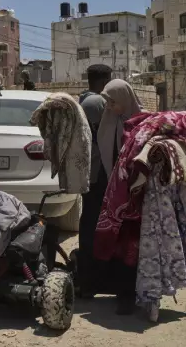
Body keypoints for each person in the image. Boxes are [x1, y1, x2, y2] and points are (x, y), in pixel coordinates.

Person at [95, 78, 144, 315]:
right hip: (114, 195)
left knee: (134, 246)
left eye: (113, 102)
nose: (110, 107)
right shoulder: (109, 120)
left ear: (125, 99)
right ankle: (121, 292)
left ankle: (134, 294)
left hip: (137, 195)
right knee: (117, 245)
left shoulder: (143, 123)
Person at [76, 64, 113, 300]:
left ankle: (89, 279)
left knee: (89, 221)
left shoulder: (84, 100)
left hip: (91, 172)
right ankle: (90, 279)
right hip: (97, 174)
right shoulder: (97, 103)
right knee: (92, 224)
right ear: (103, 82)